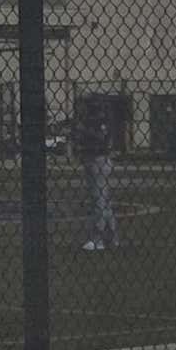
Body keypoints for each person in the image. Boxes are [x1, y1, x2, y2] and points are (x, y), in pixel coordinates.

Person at [76, 99, 119, 252]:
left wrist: (83, 132)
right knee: (103, 200)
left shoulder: (97, 122)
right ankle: (112, 238)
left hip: (98, 160)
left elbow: (100, 140)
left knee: (99, 201)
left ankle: (98, 239)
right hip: (97, 160)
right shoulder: (100, 121)